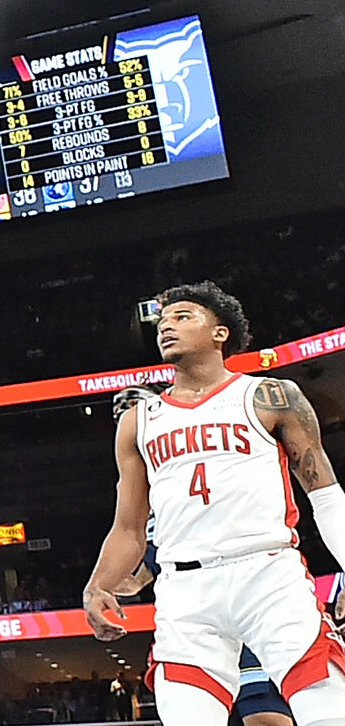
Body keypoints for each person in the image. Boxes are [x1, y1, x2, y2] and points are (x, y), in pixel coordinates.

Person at [83, 283, 345, 726]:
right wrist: (98, 585)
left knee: (328, 710)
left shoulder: (270, 396)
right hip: (185, 587)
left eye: (183, 316)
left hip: (267, 573)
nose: (167, 325)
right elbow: (129, 527)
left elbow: (325, 495)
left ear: (220, 332)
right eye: (164, 320)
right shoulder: (138, 420)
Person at [110, 386, 297, 726]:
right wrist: (124, 580)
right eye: (120, 413)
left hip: (251, 578)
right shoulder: (140, 481)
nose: (127, 415)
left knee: (264, 717)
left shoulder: (214, 436)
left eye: (134, 407)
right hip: (192, 598)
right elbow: (151, 546)